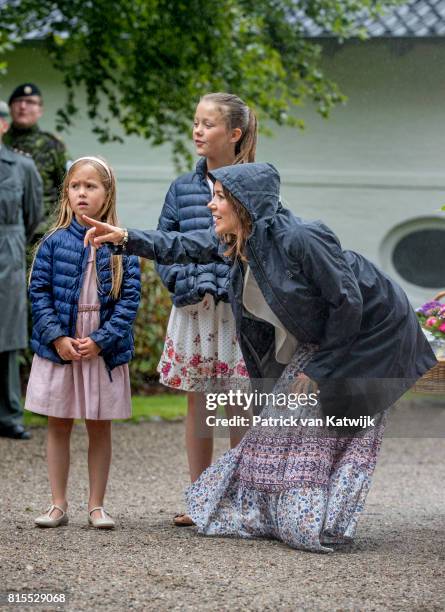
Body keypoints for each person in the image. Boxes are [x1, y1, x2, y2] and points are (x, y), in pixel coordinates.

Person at [82, 161, 436, 551]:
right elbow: (184, 246)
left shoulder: (302, 237)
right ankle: (277, 514)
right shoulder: (243, 243)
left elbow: (348, 302)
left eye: (219, 197)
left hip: (374, 331)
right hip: (329, 336)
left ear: (244, 203)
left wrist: (320, 370)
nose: (210, 205)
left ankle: (319, 521)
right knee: (278, 427)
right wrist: (126, 237)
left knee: (333, 427)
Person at [154, 93, 257, 526]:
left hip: (237, 310)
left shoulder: (255, 183)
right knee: (200, 403)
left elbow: (263, 242)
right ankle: (200, 498)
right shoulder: (180, 187)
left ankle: (238, 496)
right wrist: (182, 281)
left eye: (208, 124)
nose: (198, 130)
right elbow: (163, 244)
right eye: (195, 122)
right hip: (193, 311)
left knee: (237, 401)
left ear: (233, 134)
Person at [25, 156, 141, 529]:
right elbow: (38, 293)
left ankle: (96, 506)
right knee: (59, 424)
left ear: (107, 193)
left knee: (98, 425)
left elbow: (129, 301)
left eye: (91, 186)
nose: (82, 193)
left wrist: (102, 340)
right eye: (76, 186)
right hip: (61, 347)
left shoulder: (122, 245)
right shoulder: (53, 243)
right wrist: (57, 337)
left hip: (100, 351)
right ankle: (58, 504)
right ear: (67, 193)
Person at [0, 100, 43, 440]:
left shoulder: (21, 167)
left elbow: (32, 216)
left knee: (8, 336)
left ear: (3, 125)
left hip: (6, 253)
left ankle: (9, 414)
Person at [4, 83, 70, 232]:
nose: (23, 106)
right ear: (10, 108)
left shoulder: (53, 146)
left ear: (40, 110)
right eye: (18, 101)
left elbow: (69, 190)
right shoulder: (2, 143)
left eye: (30, 102)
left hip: (41, 237)